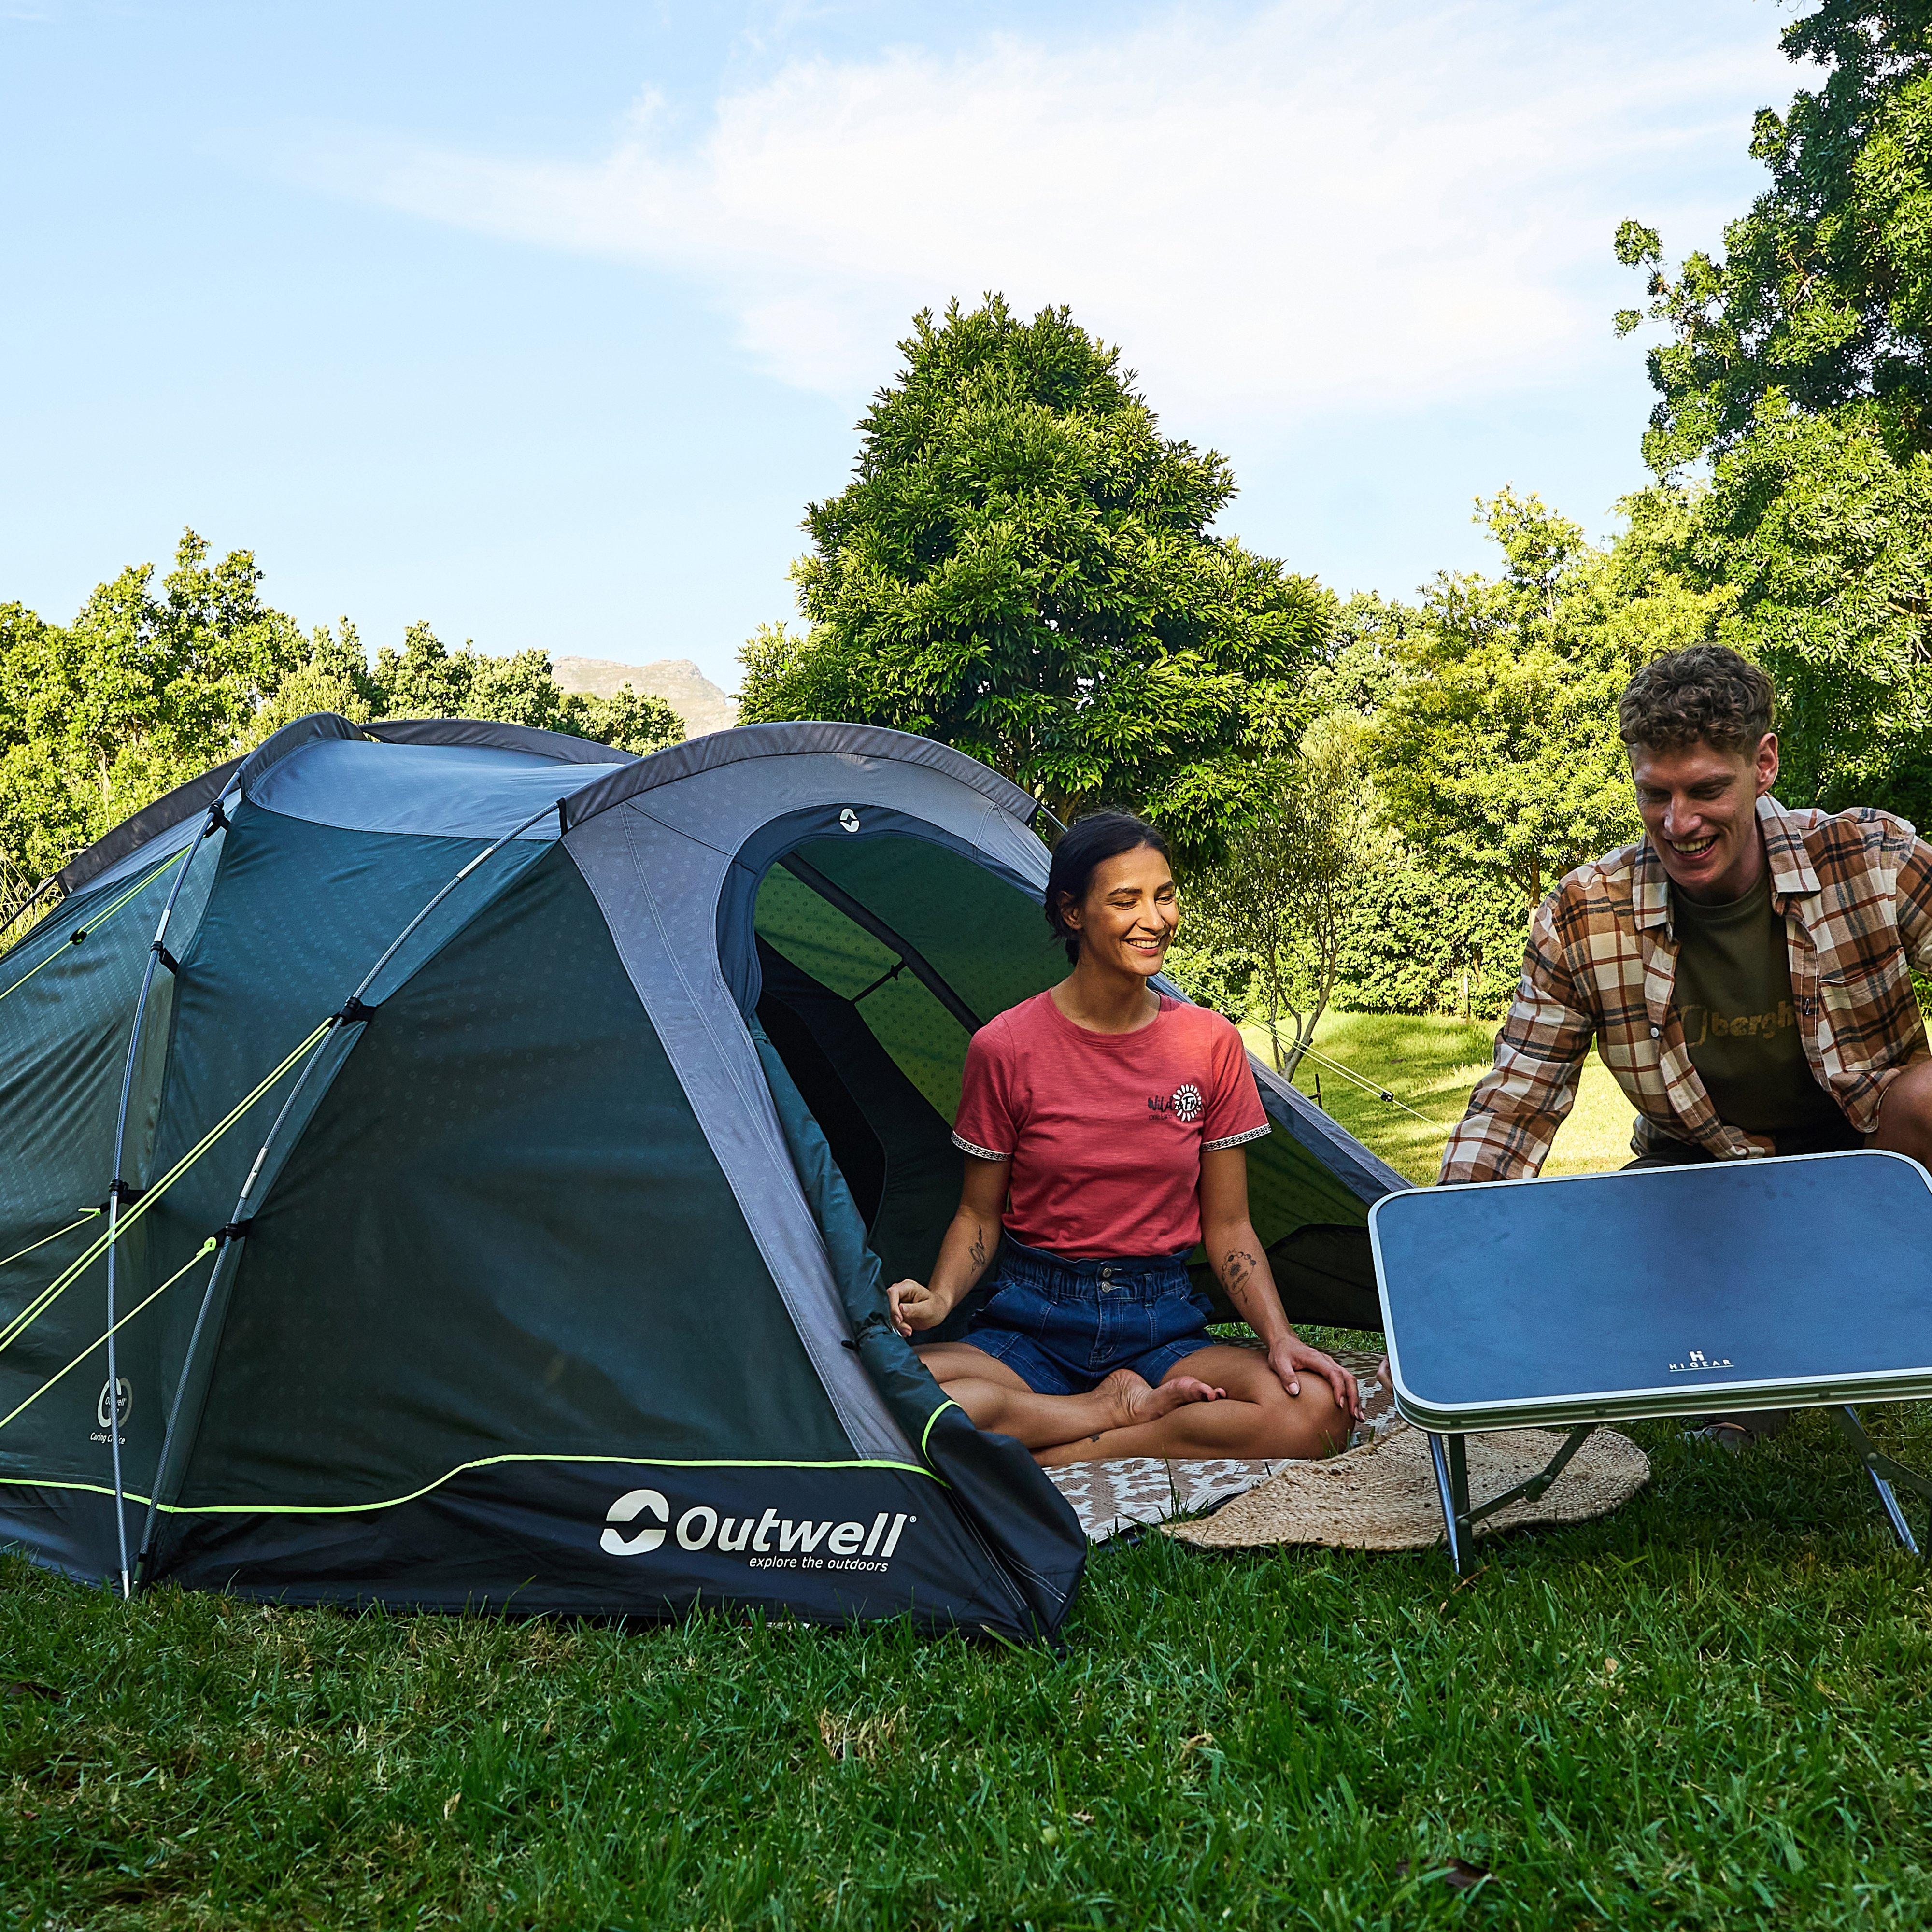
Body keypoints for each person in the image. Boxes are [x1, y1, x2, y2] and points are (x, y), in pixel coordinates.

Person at [1441, 643, 1932, 1446]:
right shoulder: (1582, 912)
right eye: (1656, 794)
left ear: (1764, 764)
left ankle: (1854, 1326)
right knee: (1613, 1273)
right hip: (1700, 1178)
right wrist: (1446, 1276)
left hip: (1869, 1154)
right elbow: (1512, 1106)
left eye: (1708, 791)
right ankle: (1747, 1379)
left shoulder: (1868, 856)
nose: (1680, 823)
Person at [887, 810, 1361, 1468]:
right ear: (1072, 913)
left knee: (1321, 1411)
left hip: (1160, 1327)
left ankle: (1065, 1449)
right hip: (1034, 1324)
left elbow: (1229, 1228)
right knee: (877, 1397)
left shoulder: (1208, 1042)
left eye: (1164, 896)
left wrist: (1279, 1338)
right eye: (1125, 900)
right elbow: (978, 1214)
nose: (1156, 918)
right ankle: (1102, 1412)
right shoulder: (1004, 1048)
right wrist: (940, 1299)